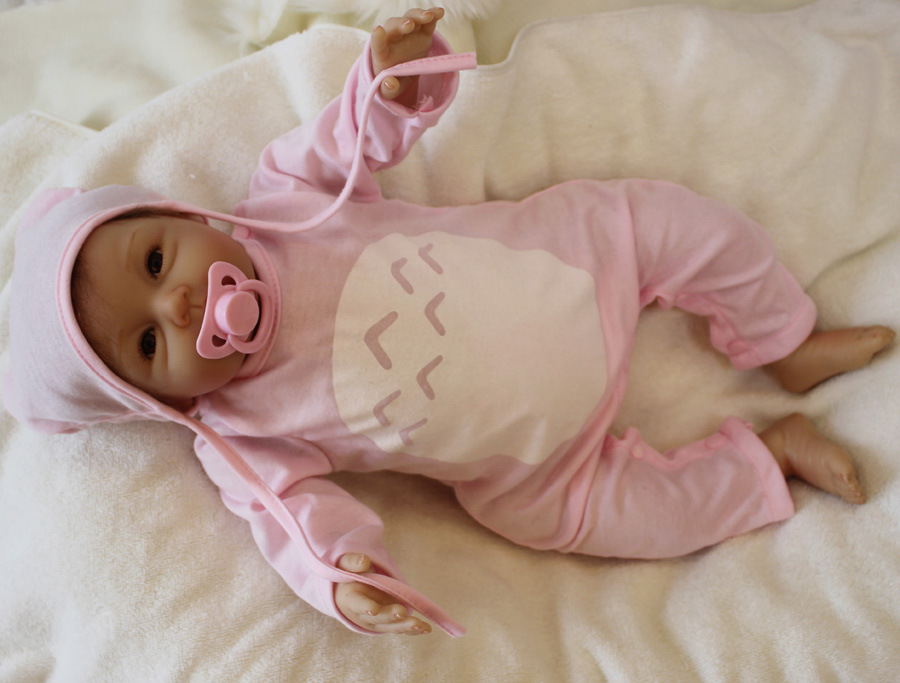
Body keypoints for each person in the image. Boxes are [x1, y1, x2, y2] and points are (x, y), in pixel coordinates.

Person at [3, 7, 894, 638]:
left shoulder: (284, 200)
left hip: (580, 258)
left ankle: (784, 340)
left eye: (156, 261)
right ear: (163, 403)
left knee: (681, 225)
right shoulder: (241, 436)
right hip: (543, 471)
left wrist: (390, 80)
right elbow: (296, 528)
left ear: (180, 215)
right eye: (149, 342)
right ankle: (767, 459)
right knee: (638, 519)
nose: (180, 304)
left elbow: (354, 134)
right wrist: (346, 581)